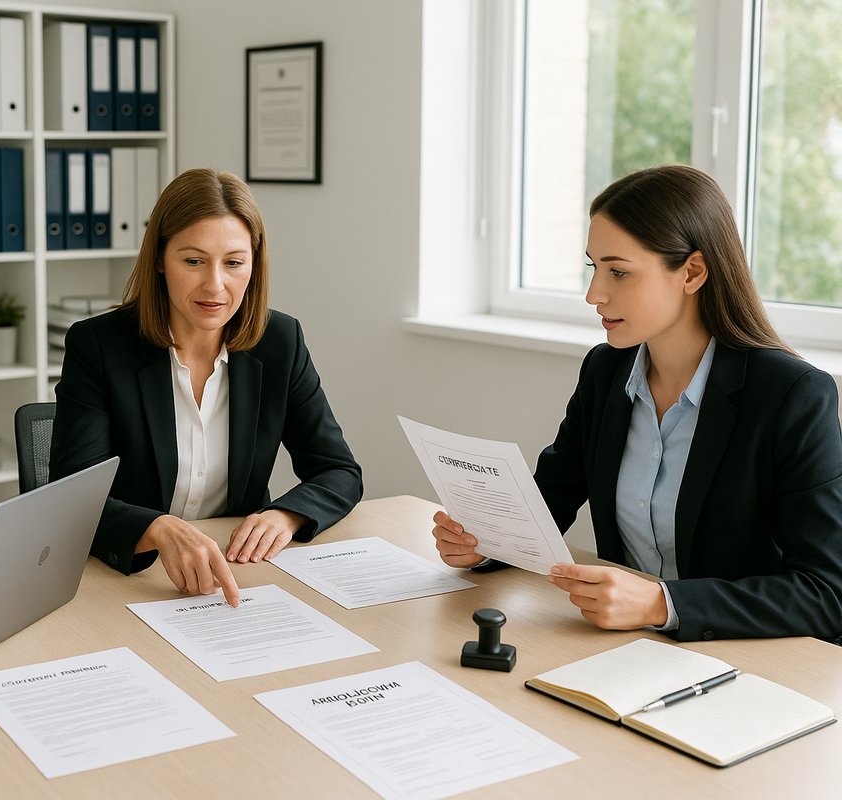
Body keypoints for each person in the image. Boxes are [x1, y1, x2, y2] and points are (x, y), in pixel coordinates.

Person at [433, 164, 842, 642]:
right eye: (594, 267)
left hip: (745, 661)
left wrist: (660, 604)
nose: (594, 294)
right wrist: (484, 542)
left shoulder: (791, 395)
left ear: (692, 272)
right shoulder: (606, 371)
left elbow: (827, 594)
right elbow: (550, 499)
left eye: (619, 272)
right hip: (624, 649)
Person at [50, 168, 362, 607]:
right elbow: (71, 496)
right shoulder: (99, 346)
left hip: (238, 574)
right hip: (130, 579)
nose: (215, 285)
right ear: (160, 259)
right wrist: (156, 527)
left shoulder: (280, 343)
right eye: (193, 261)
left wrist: (286, 514)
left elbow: (338, 470)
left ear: (254, 263)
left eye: (234, 263)